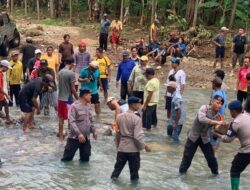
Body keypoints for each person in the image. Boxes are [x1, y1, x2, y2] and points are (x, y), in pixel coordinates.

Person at [179, 95, 225, 175]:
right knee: (187, 158)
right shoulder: (204, 108)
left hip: (205, 138)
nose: (219, 105)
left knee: (211, 158)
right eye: (217, 103)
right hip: (193, 136)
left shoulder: (218, 117)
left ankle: (216, 175)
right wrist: (217, 122)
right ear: (212, 102)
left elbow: (214, 132)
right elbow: (201, 119)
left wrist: (220, 133)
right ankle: (181, 175)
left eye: (221, 104)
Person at [111, 96, 151, 181]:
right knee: (134, 175)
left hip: (122, 148)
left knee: (116, 172)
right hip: (133, 150)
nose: (139, 105)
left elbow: (117, 133)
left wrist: (118, 146)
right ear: (133, 104)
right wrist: (144, 146)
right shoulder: (137, 119)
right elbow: (137, 137)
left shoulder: (119, 117)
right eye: (138, 103)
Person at [213, 100, 250, 190]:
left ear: (233, 111)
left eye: (230, 111)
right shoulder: (247, 115)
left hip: (247, 150)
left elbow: (228, 139)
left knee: (234, 171)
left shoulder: (235, 123)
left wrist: (217, 134)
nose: (230, 113)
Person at [61, 89, 97, 162]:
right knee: (66, 159)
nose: (91, 96)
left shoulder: (89, 106)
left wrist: (94, 131)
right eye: (89, 95)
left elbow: (91, 120)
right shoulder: (74, 106)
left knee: (85, 160)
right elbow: (72, 122)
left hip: (86, 137)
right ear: (84, 95)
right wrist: (79, 134)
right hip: (74, 138)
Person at [58, 58, 78, 141]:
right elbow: (73, 89)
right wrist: (78, 99)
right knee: (71, 119)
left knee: (61, 119)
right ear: (72, 64)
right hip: (68, 99)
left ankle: (61, 138)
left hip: (60, 99)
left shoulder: (60, 72)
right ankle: (70, 137)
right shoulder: (71, 73)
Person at [0, 60, 13, 124]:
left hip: (1, 95)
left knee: (6, 105)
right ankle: (7, 119)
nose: (7, 69)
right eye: (7, 68)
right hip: (0, 95)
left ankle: (7, 119)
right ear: (4, 67)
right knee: (5, 105)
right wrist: (7, 95)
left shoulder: (1, 73)